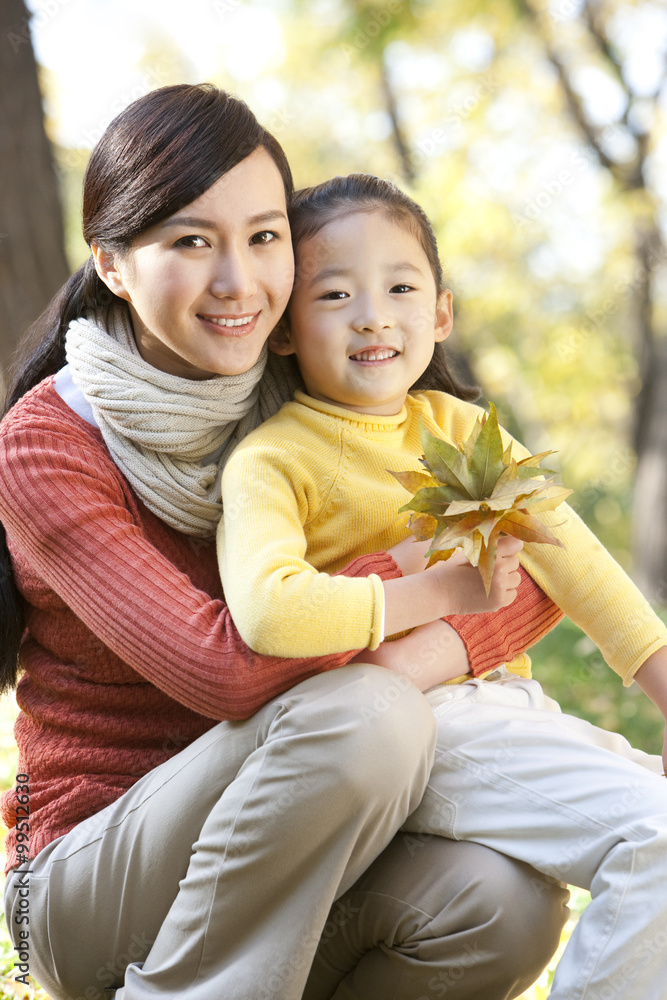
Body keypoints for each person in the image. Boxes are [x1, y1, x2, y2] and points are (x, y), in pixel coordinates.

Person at [0, 85, 569, 1000]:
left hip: (305, 830)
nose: (238, 282)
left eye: (264, 238)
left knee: (497, 908)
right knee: (366, 718)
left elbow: (532, 562)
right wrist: (413, 585)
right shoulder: (50, 442)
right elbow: (223, 668)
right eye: (192, 241)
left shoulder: (313, 388)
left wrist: (416, 649)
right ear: (110, 262)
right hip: (96, 880)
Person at [216, 172, 667, 999]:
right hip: (417, 729)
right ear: (281, 330)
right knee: (656, 839)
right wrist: (435, 595)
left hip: (511, 714)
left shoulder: (458, 429)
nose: (372, 315)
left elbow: (571, 555)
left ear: (440, 313)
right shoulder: (274, 460)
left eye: (398, 287)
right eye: (335, 295)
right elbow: (266, 608)